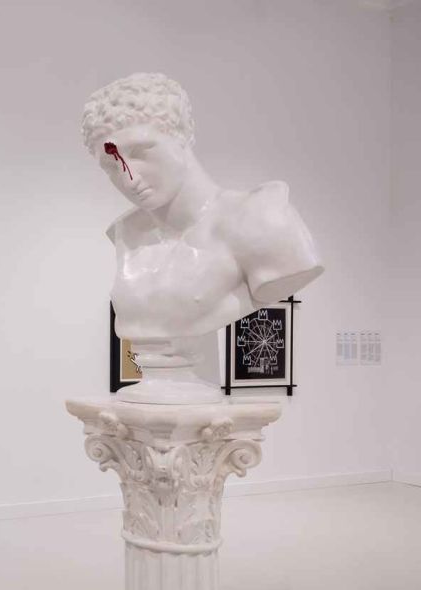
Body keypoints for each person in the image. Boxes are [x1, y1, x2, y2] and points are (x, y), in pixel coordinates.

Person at [80, 73, 323, 403]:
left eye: (141, 151)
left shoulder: (260, 219)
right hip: (144, 400)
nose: (129, 178)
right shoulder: (126, 234)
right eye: (111, 165)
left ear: (181, 134)